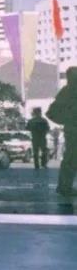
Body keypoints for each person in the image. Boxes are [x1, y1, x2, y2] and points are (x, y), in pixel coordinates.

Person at [48, 67, 77, 196]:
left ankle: (65, 187)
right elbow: (51, 112)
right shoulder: (66, 91)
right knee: (71, 159)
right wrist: (68, 120)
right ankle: (64, 187)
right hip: (73, 131)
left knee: (71, 159)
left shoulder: (66, 91)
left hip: (72, 129)